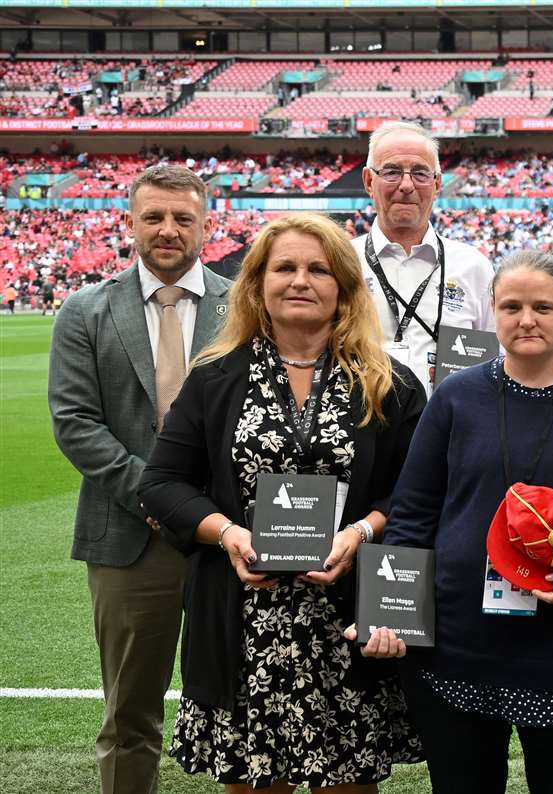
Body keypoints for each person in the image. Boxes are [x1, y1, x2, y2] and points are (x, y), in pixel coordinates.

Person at [136, 212, 427, 791]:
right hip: (242, 618)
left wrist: (362, 532)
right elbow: (162, 483)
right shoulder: (215, 378)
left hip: (347, 617)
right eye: (284, 267)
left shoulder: (389, 383)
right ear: (257, 285)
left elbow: (418, 495)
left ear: (343, 287)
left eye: (319, 269)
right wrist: (227, 533)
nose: (301, 280)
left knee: (348, 783)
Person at [365, 250, 553, 793]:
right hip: (458, 645)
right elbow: (414, 511)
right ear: (492, 311)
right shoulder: (454, 396)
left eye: (543, 306)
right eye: (511, 306)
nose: (527, 319)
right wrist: (389, 610)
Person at [49, 165, 232, 794]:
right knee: (129, 713)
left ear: (207, 224)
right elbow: (75, 424)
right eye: (153, 216)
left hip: (229, 536)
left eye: (183, 218)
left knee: (251, 701)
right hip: (131, 537)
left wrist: (203, 511)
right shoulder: (86, 310)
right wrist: (159, 498)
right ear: (129, 223)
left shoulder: (246, 308)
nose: (168, 229)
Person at [352, 120, 495, 390]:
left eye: (420, 173)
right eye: (392, 172)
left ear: (437, 183)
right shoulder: (342, 261)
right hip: (361, 427)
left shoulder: (473, 267)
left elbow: (494, 363)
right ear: (369, 181)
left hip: (448, 428)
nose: (407, 185)